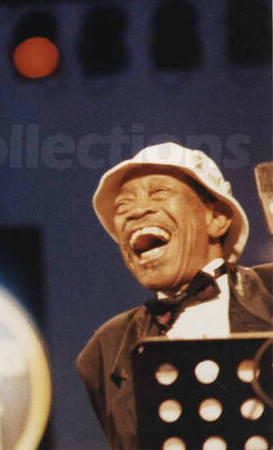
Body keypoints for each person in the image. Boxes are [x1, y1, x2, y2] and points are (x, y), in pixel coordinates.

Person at [76, 142, 273, 449]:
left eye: (159, 193)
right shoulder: (107, 348)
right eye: (122, 207)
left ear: (217, 218)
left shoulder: (269, 290)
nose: (137, 211)